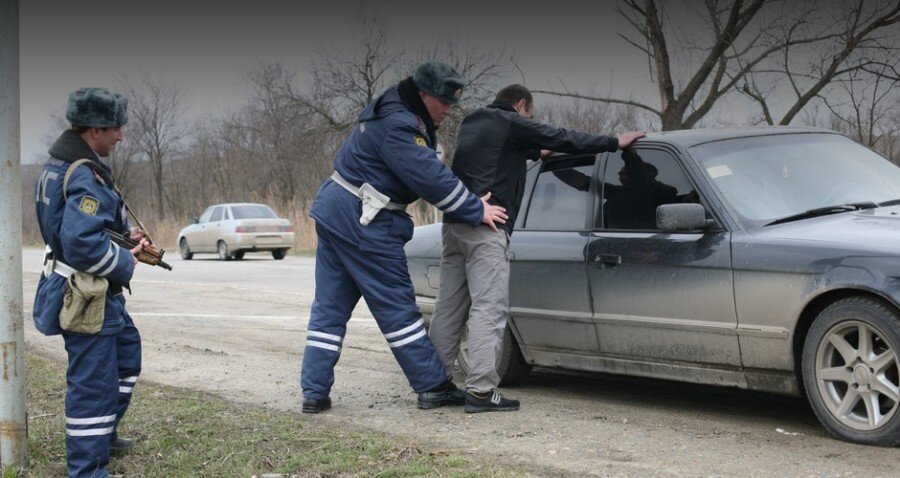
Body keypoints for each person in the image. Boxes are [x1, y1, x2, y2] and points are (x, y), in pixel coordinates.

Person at [300, 62, 508, 413]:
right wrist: (476, 209)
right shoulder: (400, 125)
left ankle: (313, 393)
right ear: (423, 94)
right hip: (364, 220)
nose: (448, 109)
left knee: (329, 310)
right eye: (443, 102)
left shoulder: (391, 110)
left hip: (336, 210)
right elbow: (429, 178)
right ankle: (432, 386)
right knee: (399, 310)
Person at [428, 84, 645, 413]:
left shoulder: (473, 121)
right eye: (531, 115)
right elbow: (560, 136)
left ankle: (434, 387)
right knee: (489, 309)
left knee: (448, 308)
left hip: (454, 225)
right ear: (521, 105)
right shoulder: (512, 121)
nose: (531, 121)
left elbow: (501, 155)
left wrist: (534, 151)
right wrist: (615, 142)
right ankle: (481, 392)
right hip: (488, 226)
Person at [33, 88, 148, 478]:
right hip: (86, 295)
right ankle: (87, 469)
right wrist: (126, 261)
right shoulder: (82, 172)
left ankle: (104, 436)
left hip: (95, 294)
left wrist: (127, 235)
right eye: (116, 128)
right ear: (95, 129)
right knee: (93, 386)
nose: (120, 136)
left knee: (127, 357)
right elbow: (82, 245)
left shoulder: (60, 165)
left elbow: (82, 227)